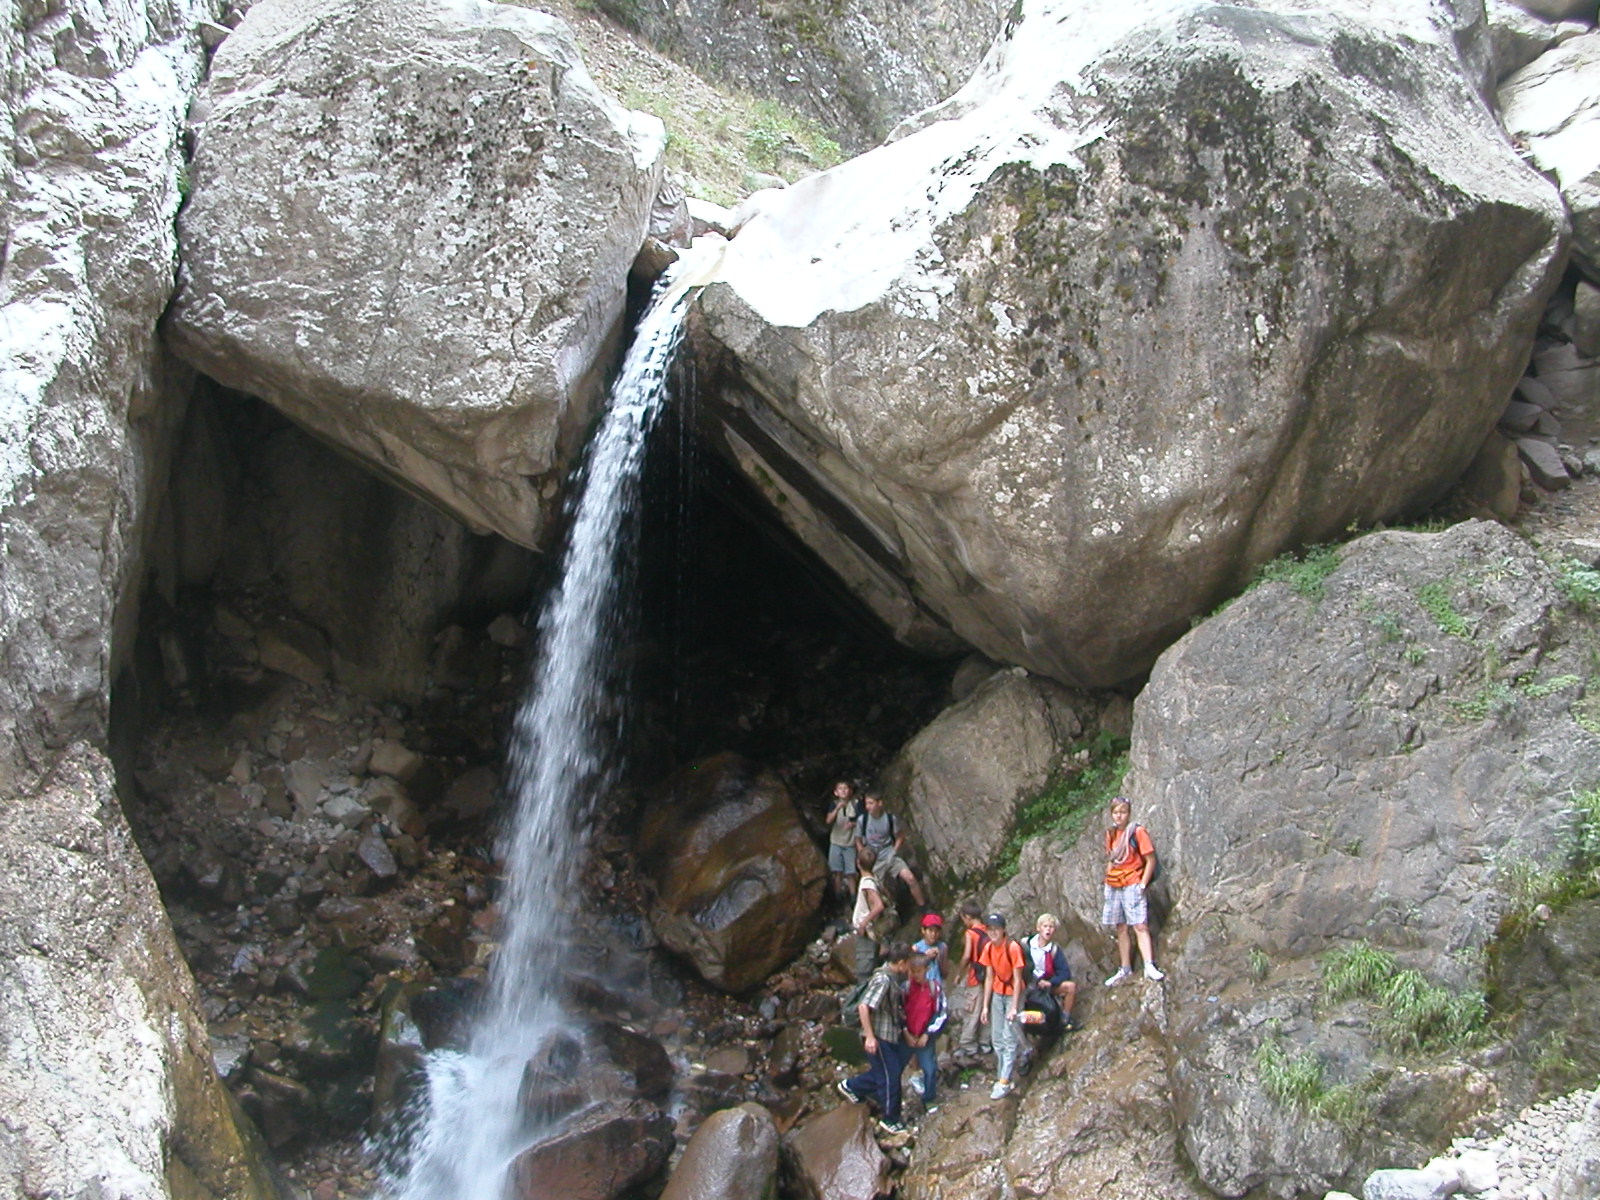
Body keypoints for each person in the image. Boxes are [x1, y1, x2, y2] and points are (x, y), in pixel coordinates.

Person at [838, 941, 914, 1135]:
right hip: (879, 1037)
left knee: (883, 1074)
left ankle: (851, 1087)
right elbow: (864, 1006)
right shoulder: (884, 980)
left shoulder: (890, 976)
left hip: (887, 1034)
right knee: (891, 1076)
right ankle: (890, 1119)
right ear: (901, 963)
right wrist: (870, 1037)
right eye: (908, 964)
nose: (909, 968)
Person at [1103, 797, 1165, 985]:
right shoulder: (1111, 834)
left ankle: (1149, 965)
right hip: (1114, 884)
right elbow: (1111, 859)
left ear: (1128, 814)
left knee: (1140, 925)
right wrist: (1108, 876)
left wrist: (1142, 884)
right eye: (1115, 812)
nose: (1118, 816)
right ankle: (1125, 968)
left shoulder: (1137, 832)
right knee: (1121, 927)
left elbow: (1150, 860)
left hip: (1132, 882)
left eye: (1122, 812)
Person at [1016, 912, 1079, 1074]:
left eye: (1051, 927)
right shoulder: (1026, 945)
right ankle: (1025, 1050)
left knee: (1070, 987)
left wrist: (1051, 982)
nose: (1048, 930)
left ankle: (1064, 1019)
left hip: (1045, 985)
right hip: (1026, 985)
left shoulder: (1054, 950)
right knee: (1017, 1014)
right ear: (1038, 928)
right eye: (1045, 926)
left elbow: (1065, 973)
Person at [977, 912, 1028, 1099]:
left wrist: (1014, 1007)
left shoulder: (1012, 947)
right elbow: (989, 977)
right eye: (990, 929)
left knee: (1009, 1037)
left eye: (996, 929)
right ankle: (1002, 1076)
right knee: (997, 1038)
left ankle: (1004, 1081)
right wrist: (985, 1006)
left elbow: (1017, 978)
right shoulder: (989, 948)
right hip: (998, 994)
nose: (993, 932)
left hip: (1014, 993)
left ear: (1003, 929)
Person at [855, 792, 929, 910]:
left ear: (879, 803)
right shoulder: (862, 820)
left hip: (889, 854)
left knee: (910, 878)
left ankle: (923, 907)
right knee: (874, 888)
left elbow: (900, 837)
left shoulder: (890, 819)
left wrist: (893, 851)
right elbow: (858, 840)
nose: (868, 806)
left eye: (871, 803)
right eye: (866, 804)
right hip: (873, 859)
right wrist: (863, 854)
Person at [903, 950, 947, 1113]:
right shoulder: (905, 989)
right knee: (896, 1068)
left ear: (927, 970)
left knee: (930, 1068)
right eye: (912, 971)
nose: (915, 975)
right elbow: (899, 1012)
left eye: (919, 972)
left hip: (924, 1037)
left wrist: (928, 1034)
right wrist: (905, 1032)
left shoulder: (934, 988)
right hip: (906, 1036)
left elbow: (941, 1013)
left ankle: (929, 1098)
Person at [951, 902, 992, 1064]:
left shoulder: (971, 934)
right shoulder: (989, 930)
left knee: (972, 1011)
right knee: (986, 1010)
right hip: (989, 977)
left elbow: (967, 956)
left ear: (967, 917)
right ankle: (985, 1042)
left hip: (976, 976)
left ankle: (968, 1045)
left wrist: (959, 973)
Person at [851, 846, 894, 980]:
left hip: (867, 931)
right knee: (870, 964)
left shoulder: (867, 884)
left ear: (858, 862)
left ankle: (864, 996)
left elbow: (878, 906)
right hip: (872, 930)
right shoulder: (874, 879)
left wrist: (863, 923)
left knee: (864, 970)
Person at [825, 780, 860, 907]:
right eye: (840, 789)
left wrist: (853, 824)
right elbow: (828, 820)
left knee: (851, 872)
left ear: (850, 791)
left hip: (850, 843)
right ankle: (837, 896)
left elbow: (862, 820)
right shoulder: (833, 804)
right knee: (837, 872)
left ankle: (853, 897)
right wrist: (837, 809)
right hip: (836, 842)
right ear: (836, 792)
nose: (843, 791)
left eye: (846, 788)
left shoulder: (856, 804)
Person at [913, 912, 948, 985]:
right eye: (930, 930)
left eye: (936, 931)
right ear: (923, 930)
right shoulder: (916, 948)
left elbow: (945, 974)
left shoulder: (942, 947)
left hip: (938, 987)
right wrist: (925, 957)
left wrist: (940, 958)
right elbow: (912, 974)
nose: (933, 934)